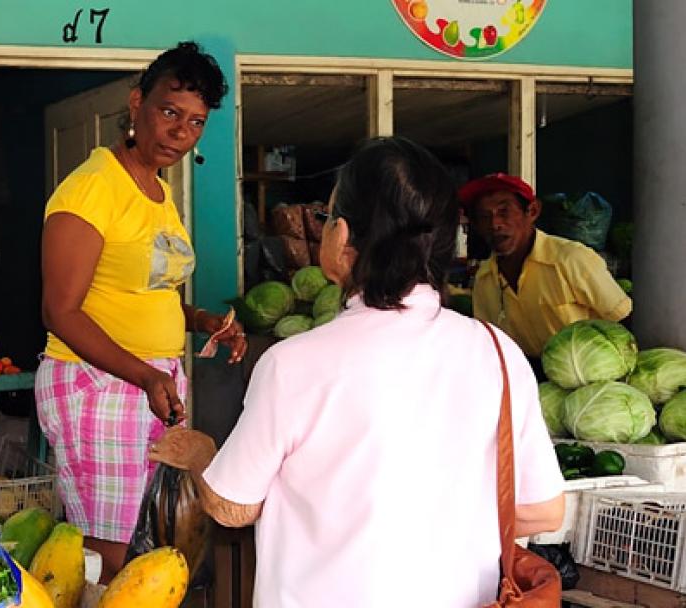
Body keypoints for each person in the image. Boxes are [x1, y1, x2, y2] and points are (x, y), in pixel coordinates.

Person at [154, 137, 564, 607]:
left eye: (327, 218)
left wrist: (204, 454)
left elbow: (233, 506)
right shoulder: (497, 353)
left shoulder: (294, 364)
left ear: (344, 237)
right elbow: (542, 509)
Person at [36, 41, 246, 581]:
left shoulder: (155, 190)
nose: (181, 131)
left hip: (148, 384)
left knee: (152, 537)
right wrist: (144, 374)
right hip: (99, 387)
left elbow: (147, 288)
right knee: (111, 552)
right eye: (170, 112)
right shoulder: (91, 189)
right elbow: (61, 311)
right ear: (136, 103)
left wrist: (200, 321)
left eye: (196, 122)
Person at [464, 173, 632, 359]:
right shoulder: (484, 279)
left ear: (532, 211)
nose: (494, 224)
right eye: (483, 216)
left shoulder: (571, 260)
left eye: (504, 212)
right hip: (531, 377)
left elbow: (624, 320)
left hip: (592, 373)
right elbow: (491, 345)